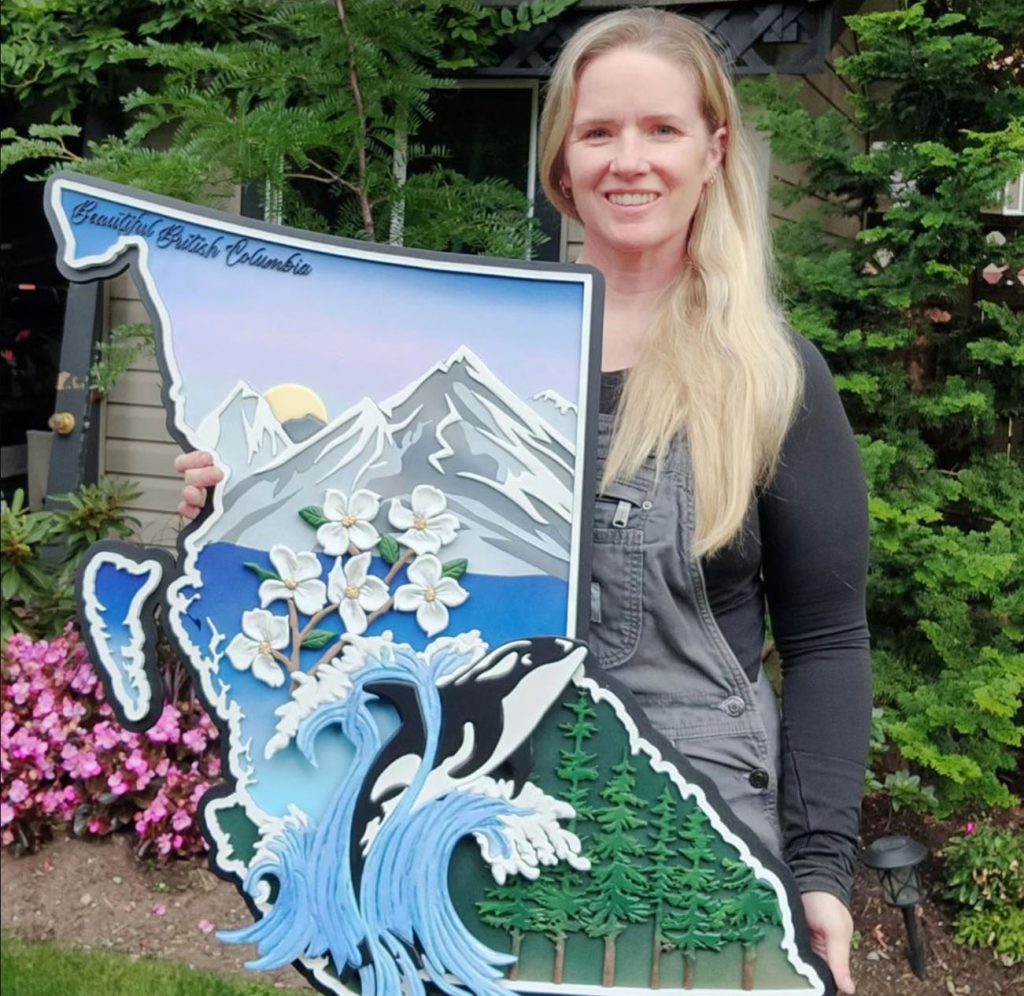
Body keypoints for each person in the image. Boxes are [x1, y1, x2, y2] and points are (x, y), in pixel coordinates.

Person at [177, 9, 871, 992]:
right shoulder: (484, 356)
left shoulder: (771, 379)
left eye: (660, 129)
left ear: (713, 152)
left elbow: (827, 644)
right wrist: (233, 503)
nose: (628, 160)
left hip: (694, 841)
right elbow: (361, 578)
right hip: (475, 833)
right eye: (598, 132)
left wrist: (818, 875)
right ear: (561, 165)